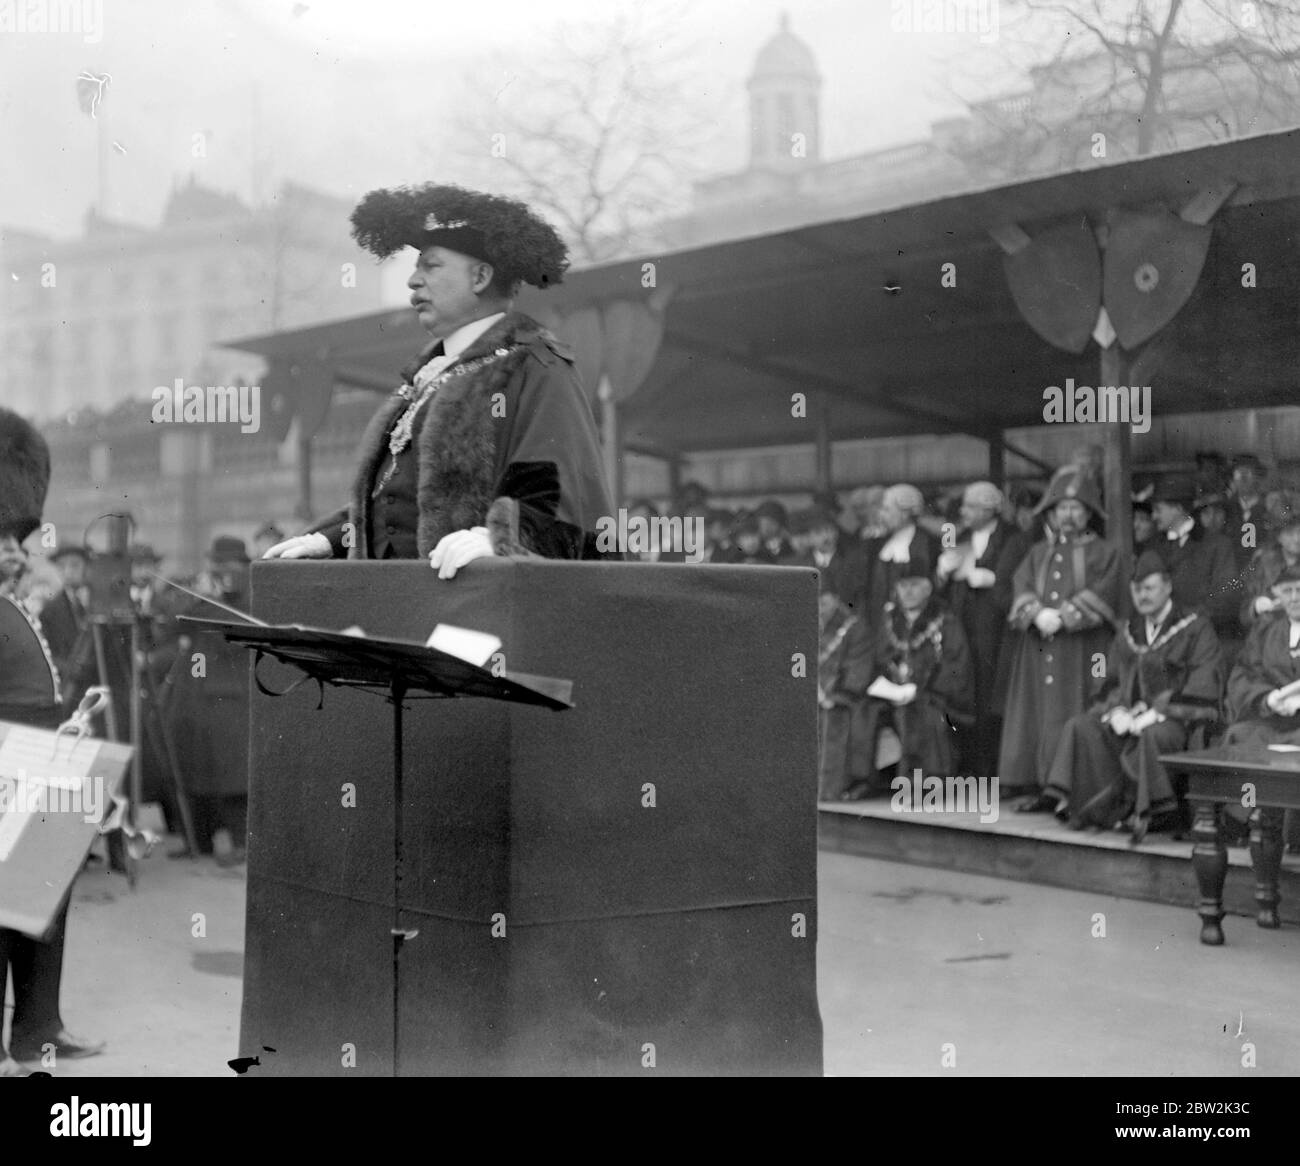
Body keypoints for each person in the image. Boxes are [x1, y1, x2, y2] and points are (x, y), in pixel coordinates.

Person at [263, 184, 614, 572]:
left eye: (430, 265)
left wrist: (499, 540)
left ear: (480, 277)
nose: (413, 280)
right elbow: (400, 501)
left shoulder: (536, 367)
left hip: (479, 607)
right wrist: (331, 538)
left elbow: (561, 494)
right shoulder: (425, 377)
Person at [0, 407, 103, 1075]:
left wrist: (69, 721)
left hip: (43, 760)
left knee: (45, 909)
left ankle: (40, 1028)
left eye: (16, 536)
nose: (14, 549)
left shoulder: (16, 603)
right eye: (3, 538)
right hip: (8, 768)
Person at [1043, 550, 1222, 842]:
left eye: (1149, 588)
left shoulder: (1196, 627)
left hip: (1177, 720)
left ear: (1167, 586)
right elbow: (1109, 680)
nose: (1143, 596)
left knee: (1153, 735)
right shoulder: (1129, 631)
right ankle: (1095, 808)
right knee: (1081, 726)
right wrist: (1116, 712)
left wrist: (1155, 713)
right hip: (1130, 715)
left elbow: (1203, 683)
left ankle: (1150, 813)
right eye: (1137, 590)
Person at [1001, 468, 1122, 808]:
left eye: (1076, 508)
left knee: (1077, 708)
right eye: (1061, 509)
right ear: (1052, 513)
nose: (1068, 516)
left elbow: (1108, 592)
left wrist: (1067, 616)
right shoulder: (1038, 551)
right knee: (1040, 714)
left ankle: (1073, 789)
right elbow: (1020, 586)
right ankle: (1043, 787)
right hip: (1039, 648)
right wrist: (1036, 613)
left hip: (1084, 651)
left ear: (1089, 513)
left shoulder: (1105, 551)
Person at [846, 548, 973, 797]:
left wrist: (921, 688)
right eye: (903, 586)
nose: (908, 592)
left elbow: (957, 665)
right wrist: (888, 685)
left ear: (928, 588)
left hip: (932, 693)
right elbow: (878, 659)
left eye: (915, 585)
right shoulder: (888, 620)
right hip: (893, 691)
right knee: (864, 710)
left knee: (919, 712)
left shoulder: (945, 620)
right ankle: (863, 780)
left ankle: (920, 785)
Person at [937, 481, 1032, 777]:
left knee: (993, 697)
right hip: (963, 632)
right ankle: (969, 767)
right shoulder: (960, 537)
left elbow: (1017, 580)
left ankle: (994, 770)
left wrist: (990, 578)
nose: (963, 512)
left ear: (990, 509)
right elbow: (942, 587)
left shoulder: (1013, 538)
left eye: (971, 507)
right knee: (964, 693)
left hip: (997, 633)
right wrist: (942, 571)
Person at [1149, 475, 1240, 648]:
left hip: (1204, 641)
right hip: (1161, 643)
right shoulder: (1153, 548)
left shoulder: (1217, 545)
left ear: (1177, 508)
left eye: (1158, 509)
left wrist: (1186, 618)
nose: (1154, 516)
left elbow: (1226, 595)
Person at [816, 579, 873, 801]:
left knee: (835, 715)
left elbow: (858, 670)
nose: (820, 605)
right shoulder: (802, 622)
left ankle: (828, 790)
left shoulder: (854, 628)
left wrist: (832, 695)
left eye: (825, 600)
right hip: (809, 695)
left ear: (836, 599)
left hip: (842, 696)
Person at [863, 484, 938, 633]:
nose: (881, 515)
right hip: (880, 626)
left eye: (887, 509)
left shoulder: (927, 543)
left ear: (904, 514)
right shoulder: (878, 544)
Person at [794, 505, 869, 617]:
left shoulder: (853, 562)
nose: (826, 537)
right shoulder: (799, 565)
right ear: (809, 538)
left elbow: (859, 601)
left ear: (837, 532)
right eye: (818, 532)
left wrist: (842, 606)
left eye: (829, 530)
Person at [1224, 453, 1271, 571]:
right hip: (1230, 574)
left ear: (1257, 477)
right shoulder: (1224, 509)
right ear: (1232, 478)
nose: (1243, 478)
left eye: (1248, 472)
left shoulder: (1270, 507)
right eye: (1239, 473)